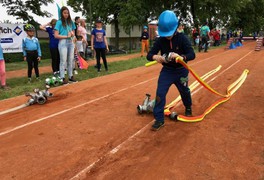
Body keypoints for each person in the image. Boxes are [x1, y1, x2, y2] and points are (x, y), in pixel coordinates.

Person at [147, 10, 195, 131]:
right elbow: (149, 54)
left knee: (184, 91)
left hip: (181, 71)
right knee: (160, 93)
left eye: (169, 33)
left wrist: (181, 57)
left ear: (175, 28)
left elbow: (192, 54)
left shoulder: (182, 38)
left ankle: (188, 107)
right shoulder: (160, 40)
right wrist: (156, 57)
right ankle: (159, 119)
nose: (167, 36)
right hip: (167, 71)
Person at [54, 6, 77, 84]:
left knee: (71, 60)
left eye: (67, 13)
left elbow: (73, 33)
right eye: (64, 13)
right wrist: (66, 36)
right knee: (63, 61)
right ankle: (62, 77)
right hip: (63, 42)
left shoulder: (71, 22)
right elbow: (56, 35)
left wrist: (74, 36)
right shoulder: (59, 22)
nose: (66, 14)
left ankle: (70, 76)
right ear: (61, 13)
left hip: (70, 42)